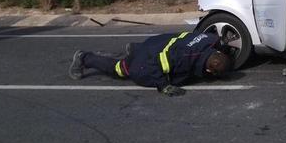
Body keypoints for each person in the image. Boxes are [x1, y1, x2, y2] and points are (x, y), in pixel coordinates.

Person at [68, 31, 232, 96]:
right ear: (210, 71)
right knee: (121, 69)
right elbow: (155, 64)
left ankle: (135, 49)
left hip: (160, 41)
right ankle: (85, 58)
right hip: (151, 58)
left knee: (185, 75)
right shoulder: (182, 60)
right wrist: (163, 86)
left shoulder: (209, 40)